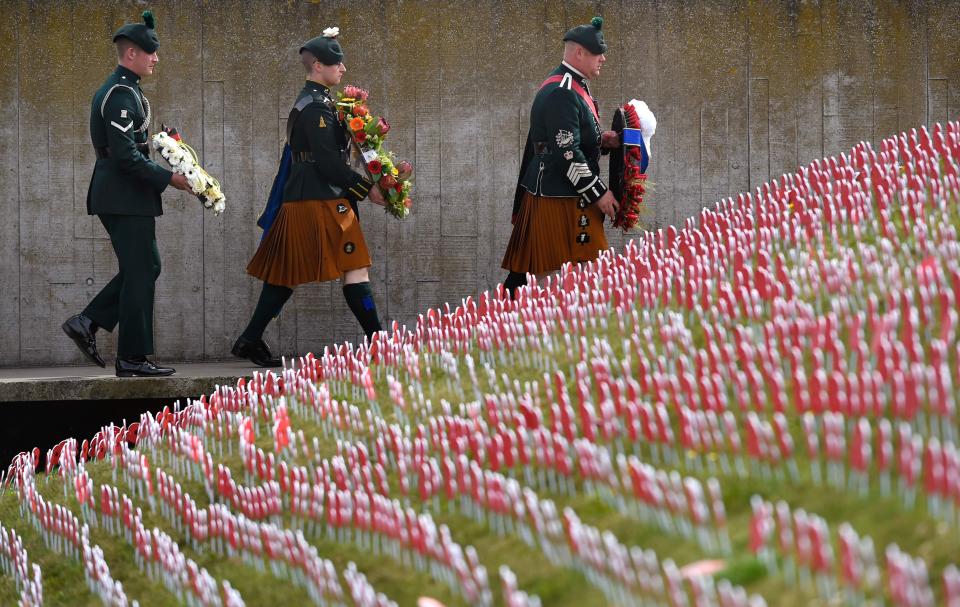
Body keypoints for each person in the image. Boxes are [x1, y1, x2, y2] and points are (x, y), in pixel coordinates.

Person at [231, 28, 386, 367]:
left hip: (305, 198)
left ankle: (249, 339)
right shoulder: (316, 107)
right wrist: (366, 188)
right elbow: (328, 163)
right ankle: (380, 343)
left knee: (286, 273)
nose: (342, 69)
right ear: (318, 65)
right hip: (323, 199)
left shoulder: (318, 102)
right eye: (336, 63)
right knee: (355, 267)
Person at [61, 11, 191, 378]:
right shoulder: (120, 92)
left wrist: (165, 143)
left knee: (147, 267)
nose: (156, 58)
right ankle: (132, 357)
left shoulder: (129, 90)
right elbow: (124, 155)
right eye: (151, 52)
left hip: (126, 193)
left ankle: (88, 322)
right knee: (140, 271)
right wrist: (169, 179)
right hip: (121, 194)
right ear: (131, 53)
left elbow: (132, 144)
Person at [501, 16, 621, 297]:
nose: (603, 58)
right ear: (579, 53)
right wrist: (599, 194)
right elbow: (567, 154)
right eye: (598, 53)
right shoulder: (562, 92)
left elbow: (569, 138)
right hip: (558, 196)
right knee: (550, 284)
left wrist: (602, 141)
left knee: (537, 283)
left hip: (564, 192)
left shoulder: (573, 85)